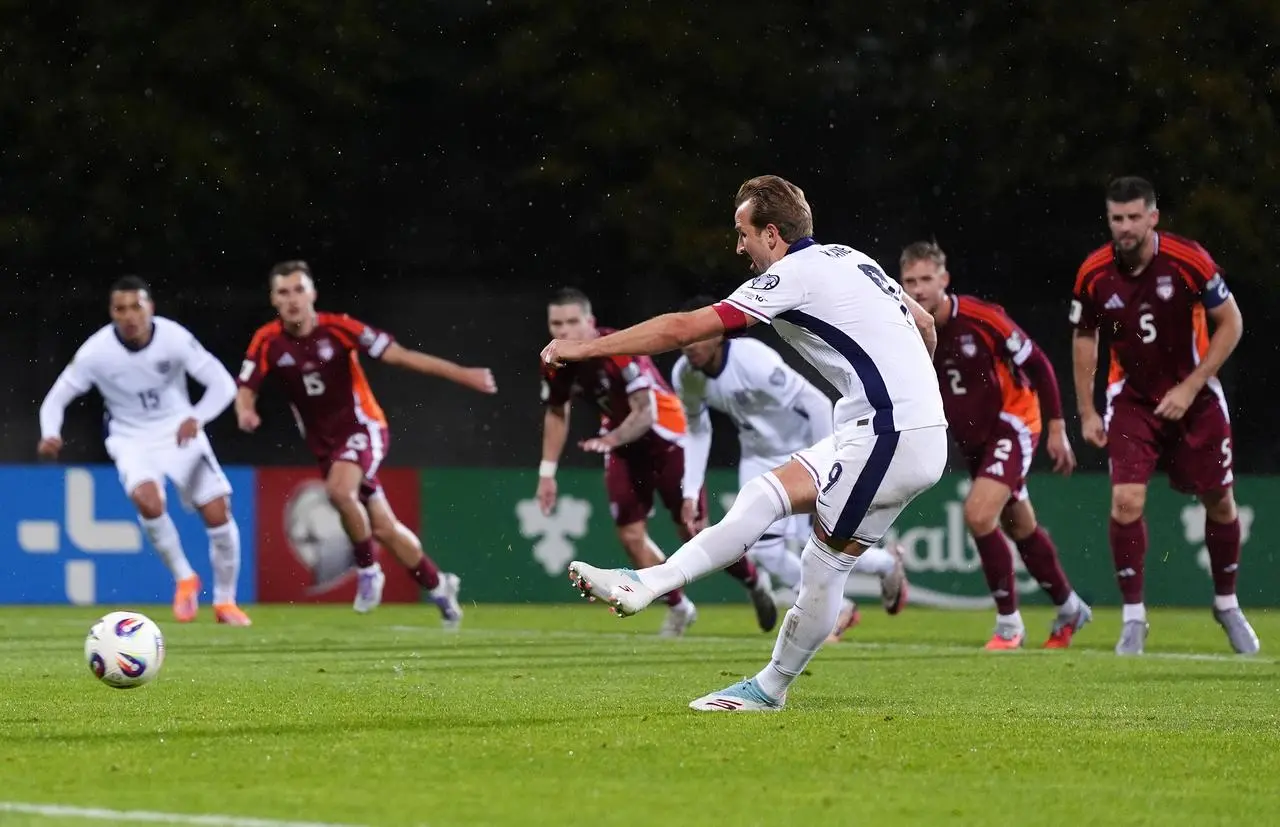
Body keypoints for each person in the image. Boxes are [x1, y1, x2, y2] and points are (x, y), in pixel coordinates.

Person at [543, 175, 948, 711]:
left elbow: (682, 329)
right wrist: (919, 398)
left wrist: (588, 348)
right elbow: (923, 323)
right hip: (885, 428)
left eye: (743, 233)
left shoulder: (791, 276)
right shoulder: (849, 256)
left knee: (822, 566)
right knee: (763, 496)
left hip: (889, 432)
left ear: (773, 235)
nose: (739, 247)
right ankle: (647, 583)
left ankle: (767, 689)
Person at [235, 260, 496, 625]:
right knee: (385, 529)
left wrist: (463, 374)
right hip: (325, 447)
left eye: (299, 289)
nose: (292, 299)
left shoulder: (339, 328)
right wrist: (245, 412)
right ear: (273, 300)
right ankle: (438, 585)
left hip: (364, 428)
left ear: (313, 294)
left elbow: (401, 356)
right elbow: (245, 387)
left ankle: (368, 570)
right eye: (283, 292)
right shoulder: (267, 340)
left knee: (339, 493)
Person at [1071, 177, 1257, 656]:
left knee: (1219, 501)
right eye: (1117, 218)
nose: (1125, 227)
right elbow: (1085, 337)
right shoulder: (1093, 272)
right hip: (1132, 399)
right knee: (1126, 503)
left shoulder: (1188, 258)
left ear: (1153, 217)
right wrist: (1088, 409)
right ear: (1108, 220)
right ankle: (1134, 618)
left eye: (1134, 217)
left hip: (1195, 396)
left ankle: (1226, 603)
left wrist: (1191, 385)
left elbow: (1232, 323)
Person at [537, 288, 777, 638]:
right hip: (624, 448)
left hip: (669, 440)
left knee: (693, 531)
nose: (564, 331)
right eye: (556, 323)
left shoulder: (616, 349)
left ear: (590, 322)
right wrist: (547, 472)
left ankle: (755, 583)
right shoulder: (556, 361)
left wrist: (609, 439)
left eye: (573, 321)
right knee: (630, 536)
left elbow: (645, 413)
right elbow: (557, 412)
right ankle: (680, 607)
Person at [670, 295, 908, 642]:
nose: (689, 345)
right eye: (683, 337)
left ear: (718, 334)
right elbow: (697, 430)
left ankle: (880, 570)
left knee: (805, 538)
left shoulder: (752, 359)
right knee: (762, 548)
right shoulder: (686, 376)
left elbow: (814, 403)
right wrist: (691, 491)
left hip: (800, 449)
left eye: (697, 334)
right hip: (756, 455)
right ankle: (856, 590)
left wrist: (828, 471)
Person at [900, 242, 1091, 650]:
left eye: (925, 280)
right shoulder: (905, 332)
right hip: (975, 440)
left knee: (977, 514)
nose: (917, 290)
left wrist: (1057, 426)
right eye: (910, 281)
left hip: (1014, 422)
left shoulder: (981, 318)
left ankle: (1009, 626)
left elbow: (1038, 363)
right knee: (1019, 526)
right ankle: (1070, 606)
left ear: (944, 280)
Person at [38, 276, 250, 625]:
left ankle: (226, 602)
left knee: (216, 511)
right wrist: (50, 434)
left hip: (180, 433)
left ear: (150, 307)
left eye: (137, 306)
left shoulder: (173, 338)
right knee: (147, 501)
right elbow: (55, 400)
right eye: (120, 309)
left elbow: (223, 384)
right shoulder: (96, 352)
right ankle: (185, 577)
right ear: (112, 313)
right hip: (131, 438)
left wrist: (197, 417)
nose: (129, 316)